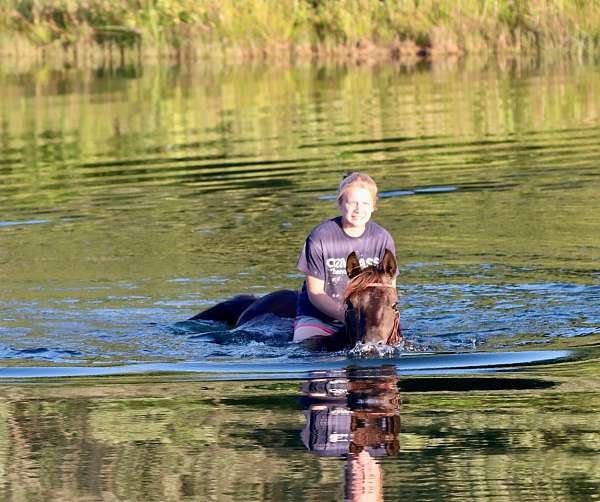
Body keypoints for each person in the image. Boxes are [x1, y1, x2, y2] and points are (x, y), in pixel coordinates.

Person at [293, 172, 397, 343]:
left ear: (373, 206)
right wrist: (348, 317)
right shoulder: (320, 237)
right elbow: (315, 292)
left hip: (368, 318)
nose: (358, 210)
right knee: (307, 350)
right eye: (352, 203)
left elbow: (390, 290)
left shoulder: (382, 239)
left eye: (365, 203)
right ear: (341, 203)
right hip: (321, 317)